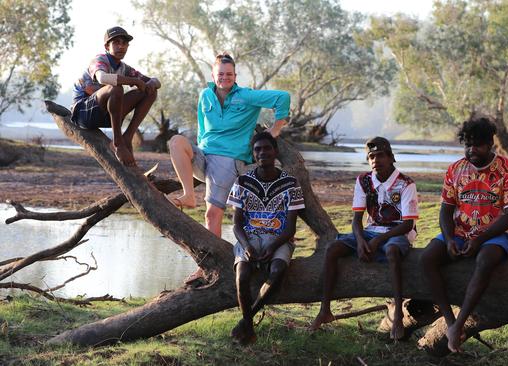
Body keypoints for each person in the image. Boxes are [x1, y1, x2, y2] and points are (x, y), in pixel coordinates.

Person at [419, 116, 508, 353]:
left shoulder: (507, 169)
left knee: (485, 260)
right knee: (426, 259)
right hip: (459, 233)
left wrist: (479, 239)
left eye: (477, 145)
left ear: (490, 145)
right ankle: (449, 321)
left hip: (495, 235)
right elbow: (445, 210)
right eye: (467, 144)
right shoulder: (455, 169)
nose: (471, 150)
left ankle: (461, 321)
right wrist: (448, 240)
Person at [167, 53, 290, 238]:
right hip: (204, 155)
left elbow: (283, 97)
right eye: (220, 74)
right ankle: (189, 195)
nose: (224, 78)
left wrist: (275, 129)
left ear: (235, 76)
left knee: (212, 215)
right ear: (213, 76)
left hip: (228, 158)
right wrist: (201, 147)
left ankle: (210, 265)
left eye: (229, 74)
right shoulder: (205, 95)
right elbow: (202, 125)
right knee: (176, 141)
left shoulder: (246, 96)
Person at [309, 137, 419, 341]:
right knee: (332, 249)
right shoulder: (364, 181)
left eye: (380, 155)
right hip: (370, 230)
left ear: (391, 157)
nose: (376, 160)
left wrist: (377, 242)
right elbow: (356, 220)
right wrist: (360, 241)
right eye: (371, 156)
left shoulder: (406, 183)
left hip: (397, 232)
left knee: (392, 251)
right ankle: (325, 309)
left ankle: (397, 316)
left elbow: (408, 224)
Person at [226, 132, 304, 345]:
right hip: (249, 237)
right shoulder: (242, 182)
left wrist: (273, 245)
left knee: (277, 270)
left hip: (280, 238)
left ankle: (245, 321)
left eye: (267, 148)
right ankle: (249, 326)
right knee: (242, 275)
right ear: (253, 154)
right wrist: (246, 246)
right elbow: (236, 224)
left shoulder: (291, 184)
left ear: (275, 151)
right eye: (257, 149)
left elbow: (290, 228)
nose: (262, 153)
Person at [71, 26, 160, 167]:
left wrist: (152, 82)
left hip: (106, 114)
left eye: (124, 43)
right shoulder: (99, 60)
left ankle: (128, 137)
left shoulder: (124, 68)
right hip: (83, 113)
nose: (121, 46)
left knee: (150, 91)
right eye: (116, 43)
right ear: (107, 46)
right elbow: (103, 78)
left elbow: (153, 82)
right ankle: (118, 143)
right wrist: (134, 81)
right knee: (115, 88)